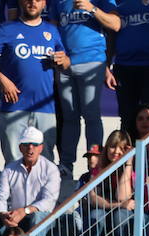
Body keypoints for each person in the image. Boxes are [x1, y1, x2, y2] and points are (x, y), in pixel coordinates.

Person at [0, 0, 70, 164]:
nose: (32, 2)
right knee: (14, 163)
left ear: (44, 4)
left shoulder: (52, 30)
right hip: (14, 106)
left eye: (38, 0)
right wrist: (3, 81)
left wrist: (64, 60)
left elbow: (65, 64)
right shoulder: (7, 29)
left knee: (45, 163)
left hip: (45, 108)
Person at [47, 0, 120, 168]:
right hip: (64, 64)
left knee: (91, 114)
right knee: (69, 117)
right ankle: (66, 165)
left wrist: (92, 8)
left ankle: (94, 165)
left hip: (92, 62)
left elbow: (116, 24)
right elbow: (51, 29)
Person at [0, 126, 60, 236]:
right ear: (20, 147)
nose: (30, 148)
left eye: (35, 145)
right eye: (26, 144)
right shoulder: (9, 169)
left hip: (38, 216)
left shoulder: (51, 169)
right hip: (14, 217)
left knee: (38, 217)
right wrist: (4, 215)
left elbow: (48, 202)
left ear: (41, 148)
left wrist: (25, 211)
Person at [111, 0, 149, 124]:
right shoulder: (116, 4)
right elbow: (111, 36)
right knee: (127, 116)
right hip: (124, 67)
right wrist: (107, 65)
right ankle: (129, 144)